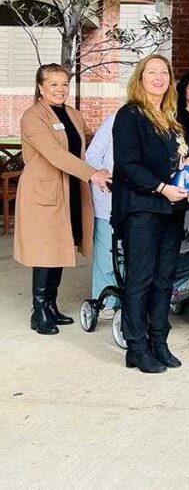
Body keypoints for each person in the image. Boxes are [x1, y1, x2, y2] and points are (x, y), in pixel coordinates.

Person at [15, 64, 111, 335]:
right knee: (46, 250)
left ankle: (51, 306)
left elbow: (87, 146)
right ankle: (39, 311)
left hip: (68, 189)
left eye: (64, 84)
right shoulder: (33, 117)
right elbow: (54, 154)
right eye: (53, 84)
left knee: (60, 246)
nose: (60, 89)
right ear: (41, 87)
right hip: (43, 191)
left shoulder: (72, 114)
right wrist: (92, 173)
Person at [112, 54, 189, 373]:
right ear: (140, 78)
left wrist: (188, 166)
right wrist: (161, 187)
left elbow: (174, 160)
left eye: (164, 73)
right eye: (152, 72)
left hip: (170, 210)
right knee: (140, 280)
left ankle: (159, 340)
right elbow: (128, 165)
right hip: (142, 209)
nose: (158, 77)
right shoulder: (130, 115)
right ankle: (136, 346)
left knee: (164, 280)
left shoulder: (170, 119)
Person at [85, 112, 118, 319]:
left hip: (137, 202)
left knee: (127, 254)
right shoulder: (113, 121)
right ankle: (104, 301)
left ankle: (125, 299)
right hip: (108, 197)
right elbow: (92, 156)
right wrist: (102, 173)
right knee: (107, 253)